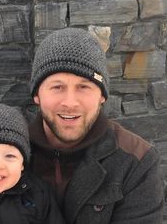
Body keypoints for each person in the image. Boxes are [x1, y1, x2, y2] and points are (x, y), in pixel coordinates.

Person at [29, 28, 164, 224]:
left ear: (101, 95)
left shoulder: (136, 161)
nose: (70, 102)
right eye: (57, 87)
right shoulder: (5, 152)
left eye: (83, 87)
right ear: (37, 95)